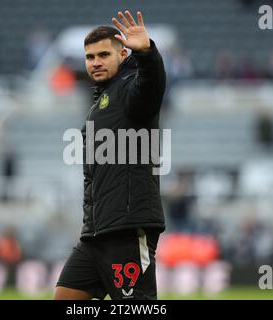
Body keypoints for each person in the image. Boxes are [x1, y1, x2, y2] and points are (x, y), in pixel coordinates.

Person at [54, 10, 166, 300]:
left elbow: (151, 86)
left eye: (104, 54)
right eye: (90, 57)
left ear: (123, 54)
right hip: (95, 234)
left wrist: (148, 54)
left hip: (127, 230)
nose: (96, 62)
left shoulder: (131, 89)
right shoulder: (100, 102)